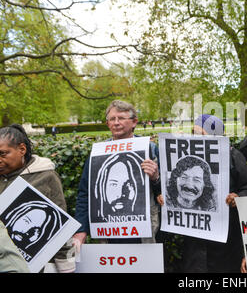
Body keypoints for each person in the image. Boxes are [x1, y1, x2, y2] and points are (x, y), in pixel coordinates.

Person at [161, 114, 247, 272]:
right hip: (194, 241)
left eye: (201, 134)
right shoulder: (185, 156)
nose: (195, 137)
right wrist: (163, 195)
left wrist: (238, 198)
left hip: (225, 241)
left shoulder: (233, 156)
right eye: (194, 132)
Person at [73, 100, 161, 246]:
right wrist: (81, 230)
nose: (116, 123)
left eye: (121, 118)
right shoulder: (97, 153)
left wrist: (155, 177)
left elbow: (166, 192)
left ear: (134, 122)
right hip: (108, 233)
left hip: (144, 233)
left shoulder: (150, 149)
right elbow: (84, 193)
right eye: (112, 119)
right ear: (107, 124)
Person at [0, 124, 74, 272]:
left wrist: (65, 264)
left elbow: (61, 223)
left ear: (22, 149)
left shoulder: (45, 176)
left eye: (3, 154)